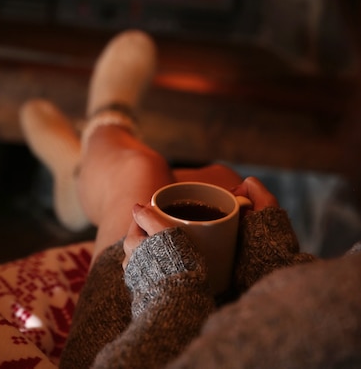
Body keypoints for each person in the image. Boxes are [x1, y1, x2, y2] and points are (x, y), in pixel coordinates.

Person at [19, 29, 361, 369]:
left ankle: (105, 123)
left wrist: (167, 281)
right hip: (236, 307)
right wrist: (270, 261)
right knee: (220, 179)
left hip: (140, 337)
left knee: (140, 169)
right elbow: (306, 317)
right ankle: (79, 178)